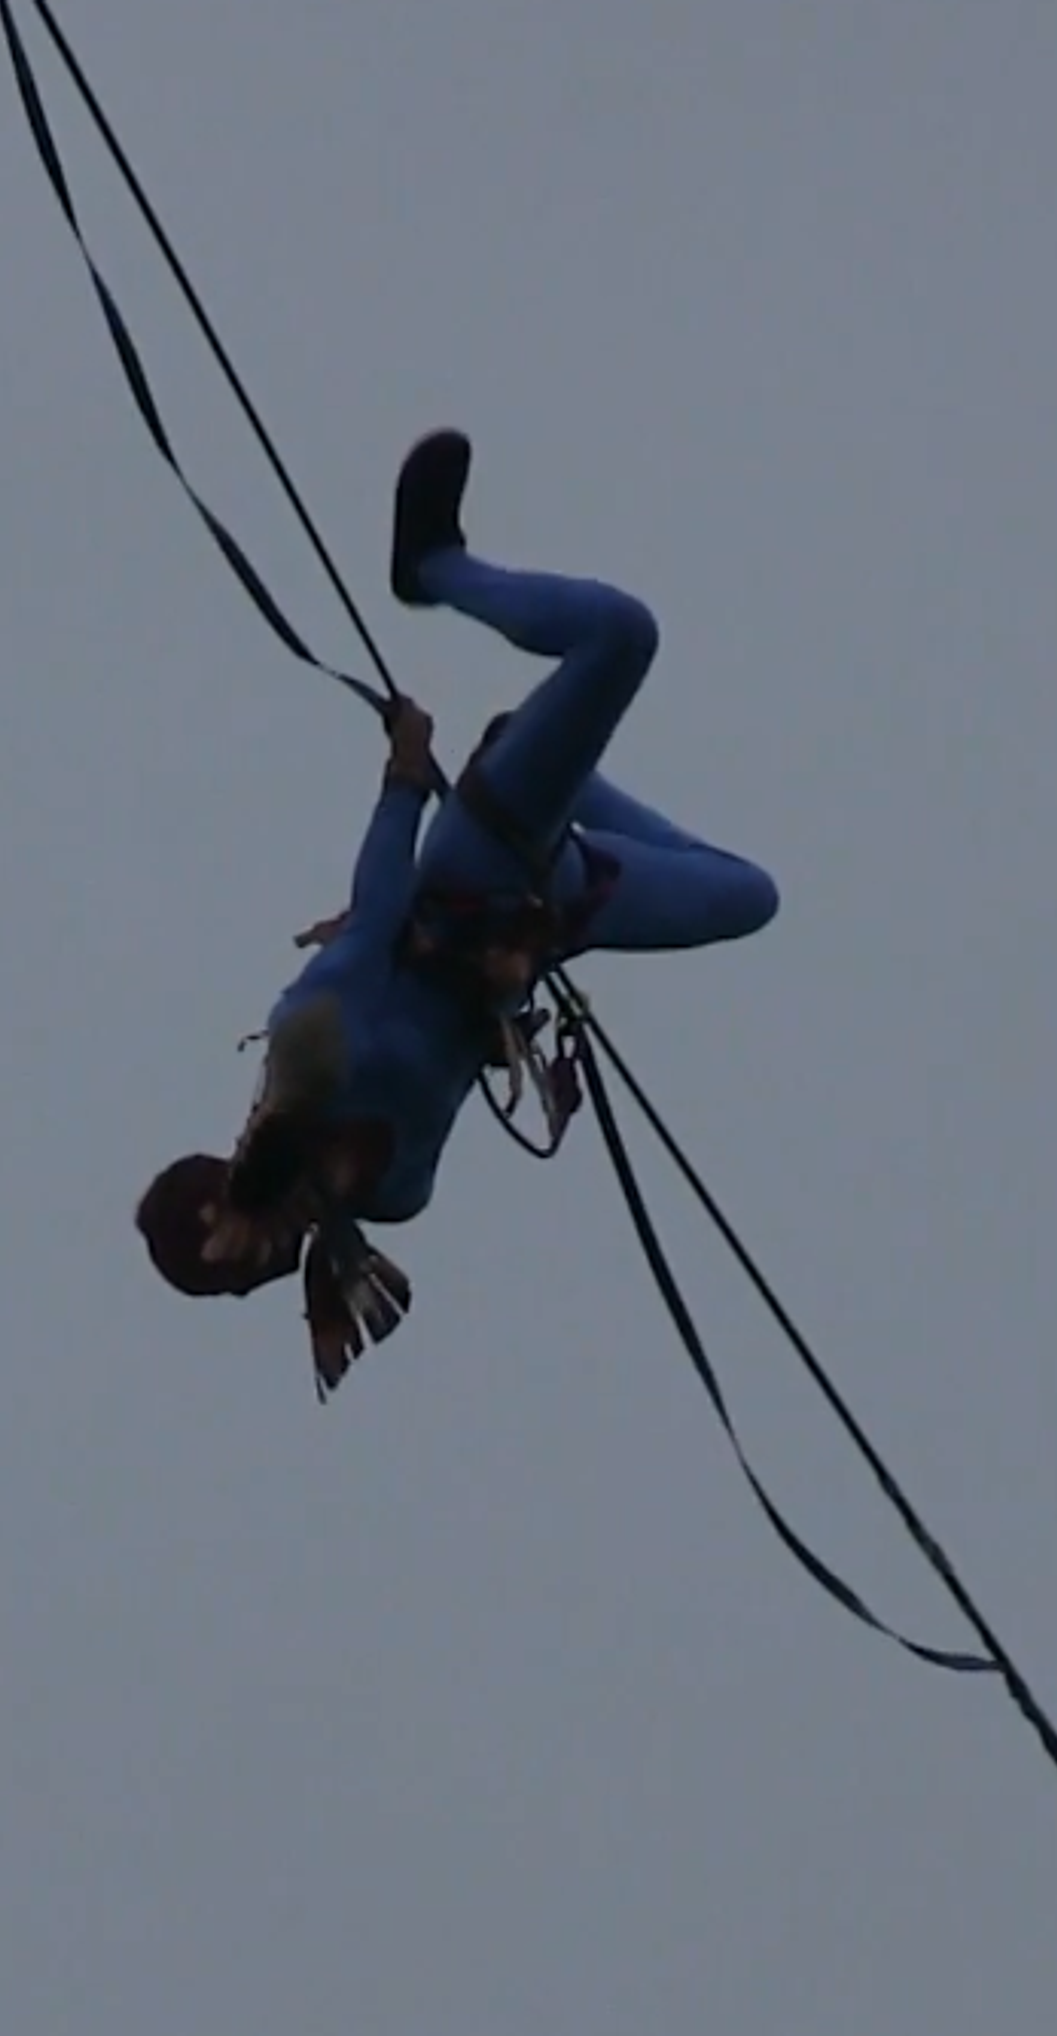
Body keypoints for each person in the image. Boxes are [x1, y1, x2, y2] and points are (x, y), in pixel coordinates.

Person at [136, 428, 779, 1391]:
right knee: (747, 895)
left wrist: (403, 780)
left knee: (621, 636)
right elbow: (449, 1067)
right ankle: (541, 760)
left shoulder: (309, 1053)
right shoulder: (393, 1195)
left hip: (478, 865)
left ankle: (434, 567)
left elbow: (375, 918)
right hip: (553, 914)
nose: (267, 1254)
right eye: (251, 1270)